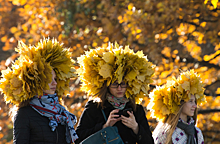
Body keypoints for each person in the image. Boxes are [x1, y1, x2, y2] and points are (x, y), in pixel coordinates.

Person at [0, 38, 78, 144]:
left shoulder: (61, 113)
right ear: (38, 82)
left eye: (55, 79)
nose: (54, 83)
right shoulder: (24, 114)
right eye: (49, 80)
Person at [75, 42, 155, 144]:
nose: (119, 88)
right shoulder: (95, 107)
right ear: (106, 86)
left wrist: (136, 128)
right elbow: (78, 138)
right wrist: (105, 126)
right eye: (114, 84)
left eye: (123, 84)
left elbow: (150, 142)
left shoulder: (136, 109)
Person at [147, 70, 206, 144]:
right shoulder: (164, 132)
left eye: (195, 102)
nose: (195, 105)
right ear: (180, 103)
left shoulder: (197, 133)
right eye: (190, 101)